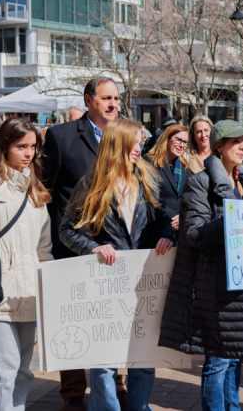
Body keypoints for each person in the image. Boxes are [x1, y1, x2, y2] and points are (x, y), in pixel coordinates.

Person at [59, 118, 174, 411]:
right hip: (107, 284)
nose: (140, 146)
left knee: (143, 359)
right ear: (118, 143)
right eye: (135, 141)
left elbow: (162, 217)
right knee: (105, 363)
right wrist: (94, 246)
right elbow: (67, 230)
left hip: (143, 282)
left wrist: (166, 236)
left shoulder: (147, 176)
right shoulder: (92, 182)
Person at [158, 120, 243, 411]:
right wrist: (234, 221)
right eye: (236, 141)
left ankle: (232, 408)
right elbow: (194, 233)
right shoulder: (199, 182)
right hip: (216, 282)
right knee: (218, 359)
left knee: (236, 355)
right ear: (219, 146)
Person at [41, 76, 127, 411]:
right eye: (107, 98)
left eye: (117, 99)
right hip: (71, 246)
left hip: (113, 249)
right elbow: (47, 190)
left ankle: (114, 383)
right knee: (72, 320)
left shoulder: (122, 135)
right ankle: (73, 393)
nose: (113, 105)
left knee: (108, 318)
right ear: (89, 99)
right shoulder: (61, 137)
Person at [0, 118, 53, 410]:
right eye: (21, 146)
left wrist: (47, 285)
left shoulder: (35, 190)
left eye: (33, 147)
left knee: (24, 370)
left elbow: (43, 248)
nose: (28, 153)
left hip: (29, 293)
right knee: (4, 370)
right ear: (4, 146)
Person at [146, 124, 190, 234]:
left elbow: (185, 197)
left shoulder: (184, 166)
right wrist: (173, 216)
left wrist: (182, 218)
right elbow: (150, 196)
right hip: (157, 226)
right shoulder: (149, 161)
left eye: (185, 142)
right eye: (179, 140)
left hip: (179, 228)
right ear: (167, 139)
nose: (182, 145)